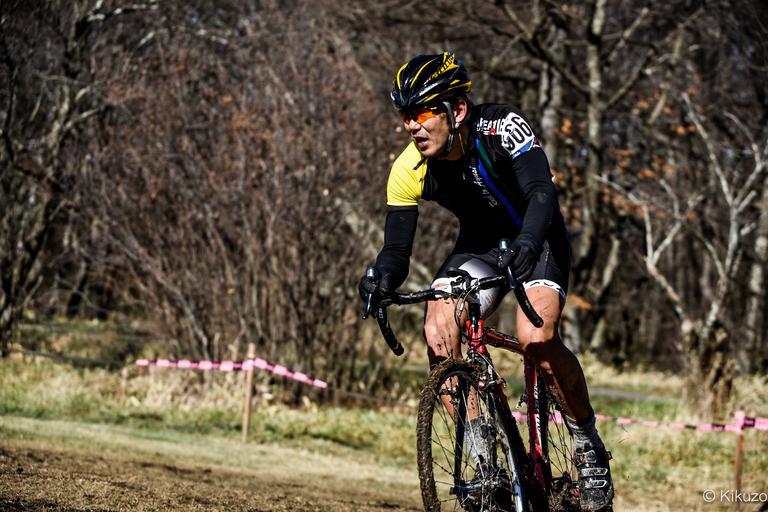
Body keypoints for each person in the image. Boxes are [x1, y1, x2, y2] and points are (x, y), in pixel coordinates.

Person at [358, 52, 613, 511]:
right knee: (438, 329)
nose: (411, 126)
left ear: (456, 109)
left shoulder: (501, 127)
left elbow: (541, 192)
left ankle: (586, 442)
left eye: (422, 112)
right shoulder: (408, 169)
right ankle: (486, 462)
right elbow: (396, 251)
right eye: (405, 115)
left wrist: (528, 245)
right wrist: (382, 278)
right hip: (480, 247)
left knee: (535, 338)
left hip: (537, 237)